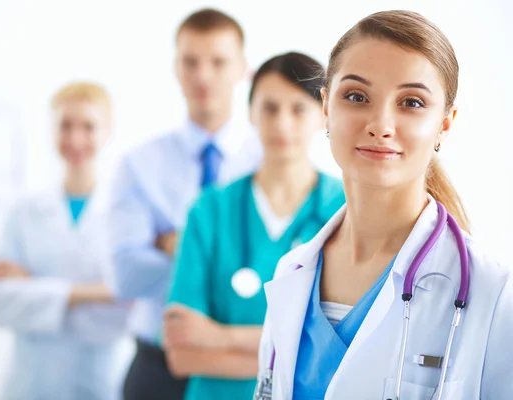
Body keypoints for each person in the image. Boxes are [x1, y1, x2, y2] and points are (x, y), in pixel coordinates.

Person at [255, 10, 513, 400]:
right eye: (357, 96)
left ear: (445, 123)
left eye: (411, 102)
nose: (380, 124)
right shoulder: (291, 273)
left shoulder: (492, 293)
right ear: (326, 107)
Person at [163, 52, 345, 400]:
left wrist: (218, 338)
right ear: (250, 112)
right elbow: (182, 353)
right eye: (270, 108)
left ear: (324, 115)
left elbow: (342, 351)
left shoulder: (344, 209)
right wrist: (293, 347)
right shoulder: (210, 209)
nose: (282, 123)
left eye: (298, 109)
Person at [109, 8, 261, 400]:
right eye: (190, 62)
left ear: (243, 69)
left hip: (241, 366)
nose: (203, 75)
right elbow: (125, 275)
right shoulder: (139, 164)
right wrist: (229, 259)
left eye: (218, 62)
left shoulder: (267, 163)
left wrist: (172, 243)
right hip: (157, 369)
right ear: (175, 67)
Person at [0, 82, 131, 400]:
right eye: (65, 126)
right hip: (30, 383)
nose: (76, 138)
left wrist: (38, 287)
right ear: (51, 131)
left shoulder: (125, 213)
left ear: (108, 131)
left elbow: (129, 305)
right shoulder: (23, 212)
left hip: (100, 380)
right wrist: (95, 293)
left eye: (89, 126)